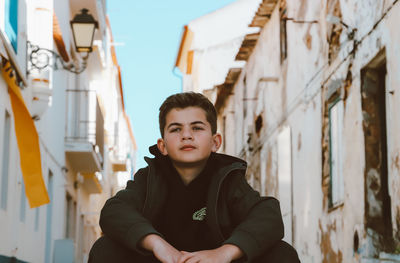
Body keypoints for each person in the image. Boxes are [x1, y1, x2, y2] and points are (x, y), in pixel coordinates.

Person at [89, 92, 300, 263]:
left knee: (282, 253)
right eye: (176, 129)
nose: (186, 135)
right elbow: (114, 210)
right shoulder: (150, 177)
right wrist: (156, 244)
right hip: (163, 260)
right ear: (162, 146)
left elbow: (267, 215)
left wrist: (225, 252)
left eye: (197, 128)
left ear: (215, 142)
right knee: (105, 249)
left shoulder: (228, 178)